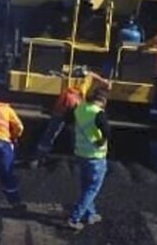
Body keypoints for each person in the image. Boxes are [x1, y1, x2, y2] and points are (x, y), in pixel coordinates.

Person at [31, 67, 110, 166]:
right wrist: (104, 82)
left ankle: (38, 157)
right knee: (75, 134)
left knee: (50, 134)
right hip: (72, 114)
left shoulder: (68, 90)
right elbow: (90, 75)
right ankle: (78, 158)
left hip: (61, 113)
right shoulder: (82, 89)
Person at [65, 87, 111, 231]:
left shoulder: (80, 109)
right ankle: (74, 218)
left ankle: (90, 214)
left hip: (81, 154)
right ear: (103, 100)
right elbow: (107, 131)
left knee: (86, 186)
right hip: (96, 157)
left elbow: (68, 120)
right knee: (92, 188)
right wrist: (102, 141)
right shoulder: (98, 113)